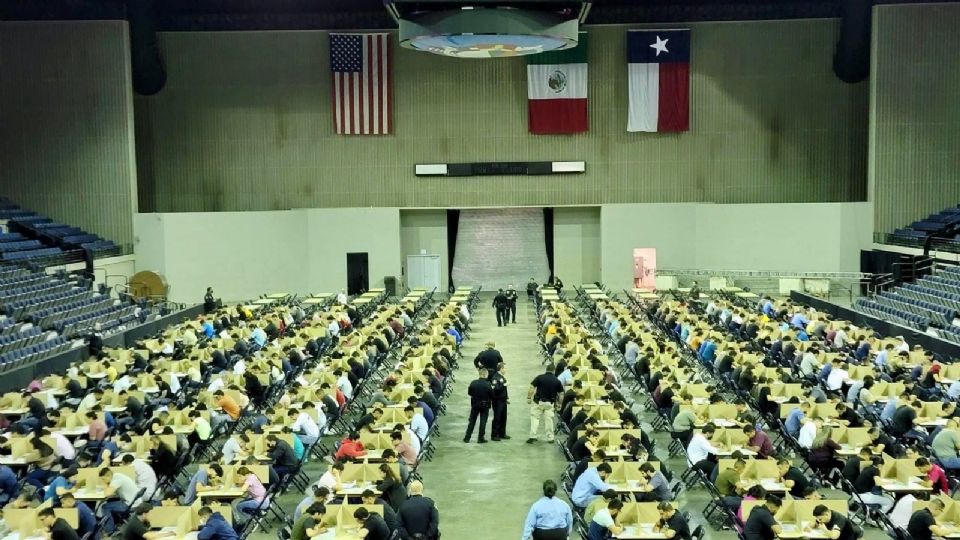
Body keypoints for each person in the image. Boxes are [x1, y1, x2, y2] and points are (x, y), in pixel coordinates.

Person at [528, 366, 563, 444]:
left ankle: (532, 436)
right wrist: (559, 404)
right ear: (553, 371)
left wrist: (529, 397)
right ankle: (550, 438)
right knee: (549, 420)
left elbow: (531, 387)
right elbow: (561, 394)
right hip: (549, 404)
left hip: (538, 402)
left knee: (535, 418)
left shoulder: (540, 377)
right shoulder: (557, 380)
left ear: (546, 370)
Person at [98, 467, 139, 533]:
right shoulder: (117, 476)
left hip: (131, 504)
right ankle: (114, 524)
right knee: (110, 502)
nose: (103, 481)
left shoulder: (117, 479)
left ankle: (110, 531)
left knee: (105, 507)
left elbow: (107, 493)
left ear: (109, 476)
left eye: (103, 479)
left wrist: (105, 484)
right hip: (132, 501)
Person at [465, 369, 493, 443]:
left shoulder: (473, 383)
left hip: (475, 404)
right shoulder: (488, 384)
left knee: (472, 421)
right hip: (485, 405)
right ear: (486, 375)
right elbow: (492, 395)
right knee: (483, 422)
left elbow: (469, 393)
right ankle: (480, 438)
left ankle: (467, 438)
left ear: (480, 374)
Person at [489, 363, 510, 441]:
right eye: (504, 368)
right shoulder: (495, 378)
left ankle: (502, 433)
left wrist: (506, 398)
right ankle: (494, 435)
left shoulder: (501, 377)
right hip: (497, 401)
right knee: (497, 417)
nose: (505, 370)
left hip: (503, 400)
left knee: (503, 417)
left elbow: (504, 390)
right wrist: (504, 385)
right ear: (501, 369)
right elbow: (496, 389)